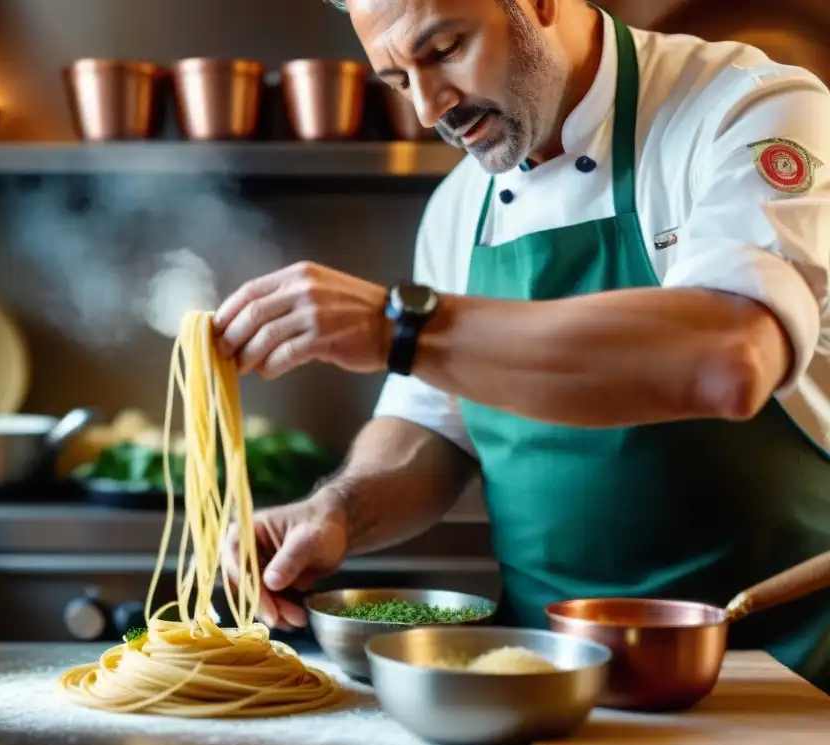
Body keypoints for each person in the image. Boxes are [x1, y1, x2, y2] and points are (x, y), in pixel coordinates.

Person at [215, 0, 830, 692]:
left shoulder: (749, 110)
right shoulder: (459, 206)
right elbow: (432, 422)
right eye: (395, 80)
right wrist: (340, 512)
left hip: (778, 675)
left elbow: (730, 358)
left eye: (443, 49)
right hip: (546, 679)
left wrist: (401, 327)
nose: (426, 108)